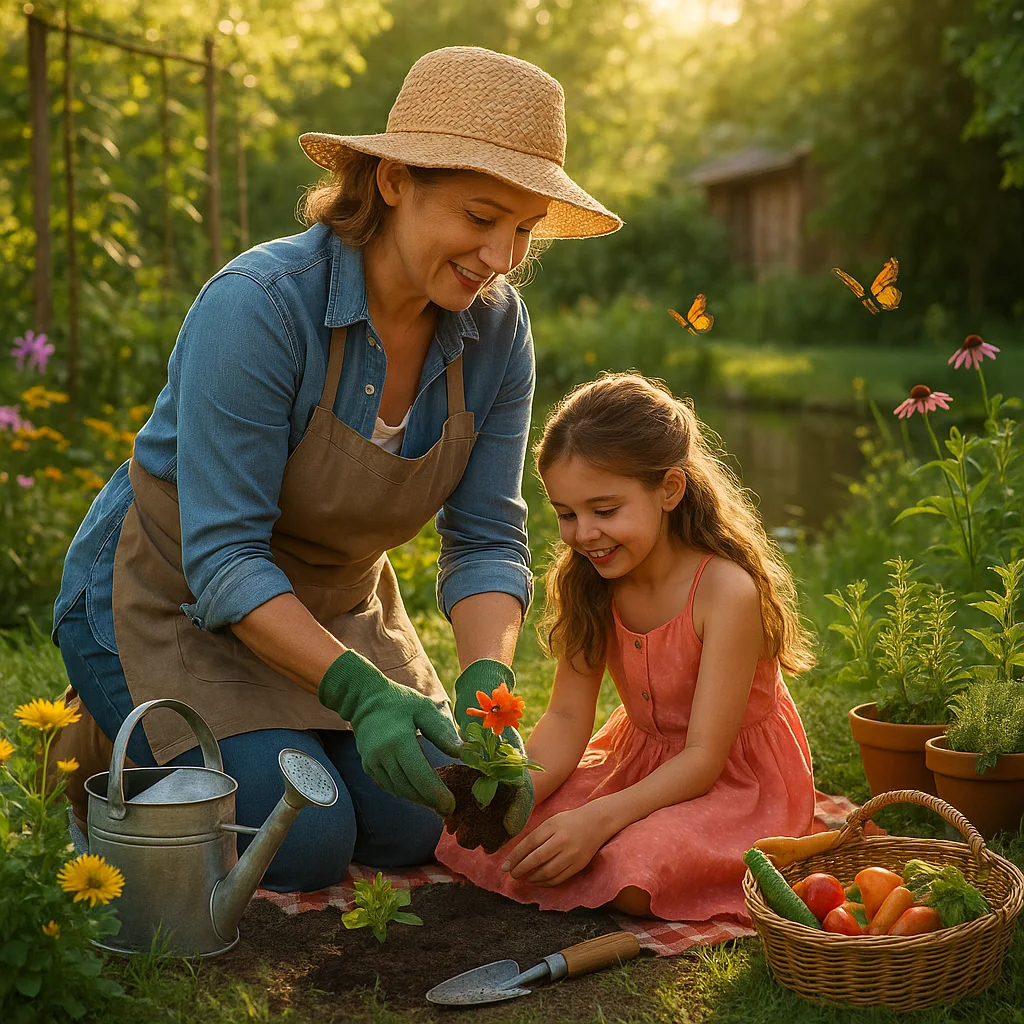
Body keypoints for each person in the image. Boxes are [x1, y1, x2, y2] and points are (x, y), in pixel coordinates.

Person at [49, 46, 621, 892]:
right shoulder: (261, 307)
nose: (502, 254)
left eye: (525, 229)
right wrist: (359, 696)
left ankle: (282, 740)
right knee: (304, 843)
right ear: (393, 182)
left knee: (422, 818)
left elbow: (488, 535)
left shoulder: (497, 329)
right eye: (480, 215)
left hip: (334, 609)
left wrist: (486, 684)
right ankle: (101, 739)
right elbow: (225, 559)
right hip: (166, 599)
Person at [436, 373, 816, 920]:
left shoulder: (725, 592)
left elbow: (704, 759)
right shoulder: (588, 581)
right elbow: (567, 717)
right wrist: (516, 791)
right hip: (639, 765)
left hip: (732, 780)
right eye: (566, 514)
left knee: (634, 869)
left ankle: (632, 851)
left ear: (669, 490)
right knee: (492, 836)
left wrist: (597, 820)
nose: (584, 533)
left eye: (605, 510)